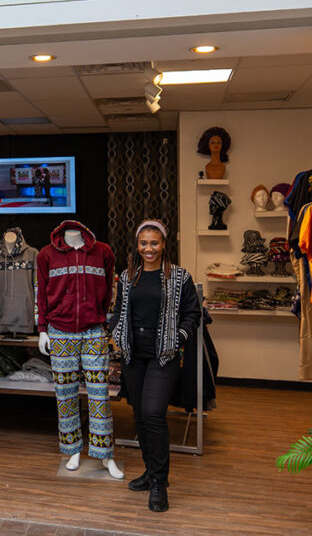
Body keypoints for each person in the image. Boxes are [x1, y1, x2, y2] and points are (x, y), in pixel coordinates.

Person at [109, 219, 201, 513]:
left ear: (164, 245)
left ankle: (160, 481)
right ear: (137, 246)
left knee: (153, 413)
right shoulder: (127, 277)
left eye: (154, 243)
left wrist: (179, 337)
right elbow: (118, 311)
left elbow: (192, 313)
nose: (149, 249)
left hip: (164, 354)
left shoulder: (179, 277)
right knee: (139, 414)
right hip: (134, 356)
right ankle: (150, 472)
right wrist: (114, 333)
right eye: (144, 243)